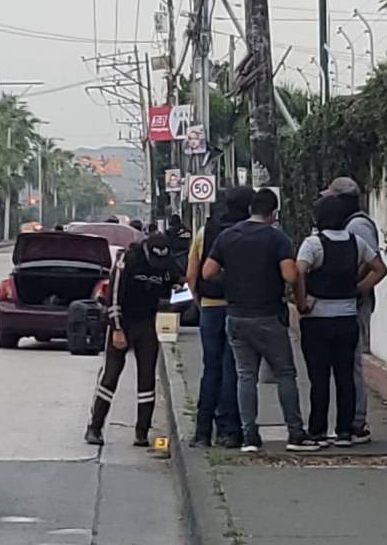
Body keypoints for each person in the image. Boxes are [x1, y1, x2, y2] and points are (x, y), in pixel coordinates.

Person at [203, 188, 319, 453]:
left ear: (250, 210)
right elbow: (290, 275)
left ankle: (249, 436)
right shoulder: (277, 238)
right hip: (268, 314)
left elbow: (208, 272)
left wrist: (231, 280)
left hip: (236, 314)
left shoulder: (227, 236)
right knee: (285, 373)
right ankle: (295, 433)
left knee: (245, 376)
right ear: (274, 213)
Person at [296, 196, 387, 447]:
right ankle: (345, 431)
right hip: (347, 317)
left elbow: (298, 272)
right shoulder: (356, 242)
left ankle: (318, 431)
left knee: (319, 378)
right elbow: (380, 269)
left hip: (317, 319)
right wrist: (358, 289)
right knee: (345, 376)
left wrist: (302, 302)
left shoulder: (313, 244)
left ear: (318, 218)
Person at [85, 235, 181, 447]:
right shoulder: (128, 260)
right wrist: (117, 328)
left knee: (147, 378)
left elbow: (179, 288)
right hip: (124, 320)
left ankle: (142, 432)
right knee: (111, 376)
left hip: (147, 322)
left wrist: (174, 298)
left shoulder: (168, 263)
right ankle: (95, 427)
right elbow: (114, 296)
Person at [187, 186, 255, 449]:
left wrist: (200, 302)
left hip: (211, 307)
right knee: (234, 369)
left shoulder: (206, 232)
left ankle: (202, 430)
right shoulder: (252, 232)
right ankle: (230, 431)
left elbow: (192, 275)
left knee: (211, 368)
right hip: (241, 308)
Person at [322, 177, 380, 444]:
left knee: (352, 363)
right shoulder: (350, 225)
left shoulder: (357, 226)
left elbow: (372, 262)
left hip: (354, 304)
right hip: (347, 304)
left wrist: (355, 287)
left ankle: (357, 421)